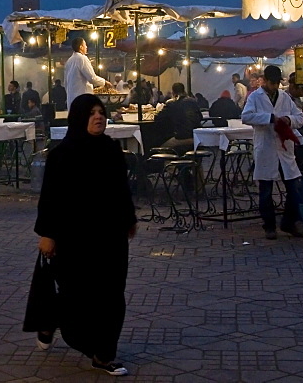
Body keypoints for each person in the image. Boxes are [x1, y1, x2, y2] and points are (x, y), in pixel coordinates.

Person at [34, 93, 136, 376]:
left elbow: (122, 189)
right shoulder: (62, 155)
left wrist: (129, 218)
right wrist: (48, 234)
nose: (98, 117)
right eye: (91, 113)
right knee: (76, 296)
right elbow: (51, 197)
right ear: (79, 117)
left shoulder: (111, 150)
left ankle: (104, 355)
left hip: (110, 237)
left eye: (101, 112)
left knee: (112, 294)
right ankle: (53, 317)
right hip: (74, 239)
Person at [241, 65, 303, 240]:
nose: (275, 87)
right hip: (266, 146)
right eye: (272, 83)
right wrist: (269, 118)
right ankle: (269, 225)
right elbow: (246, 117)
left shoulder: (284, 97)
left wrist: (288, 120)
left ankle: (288, 222)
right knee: (266, 190)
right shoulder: (255, 97)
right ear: (265, 80)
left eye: (277, 83)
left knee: (294, 188)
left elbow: (300, 117)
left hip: (284, 148)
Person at [153, 82, 202, 153]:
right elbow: (200, 117)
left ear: (173, 92)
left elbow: (158, 118)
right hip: (195, 136)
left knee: (161, 149)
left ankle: (169, 163)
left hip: (181, 137)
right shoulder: (193, 101)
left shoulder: (171, 103)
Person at [64, 38, 110, 109]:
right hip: (83, 100)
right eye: (85, 45)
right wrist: (105, 82)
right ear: (81, 47)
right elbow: (92, 78)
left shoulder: (69, 61)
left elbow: (65, 83)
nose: (86, 47)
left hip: (71, 100)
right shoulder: (82, 59)